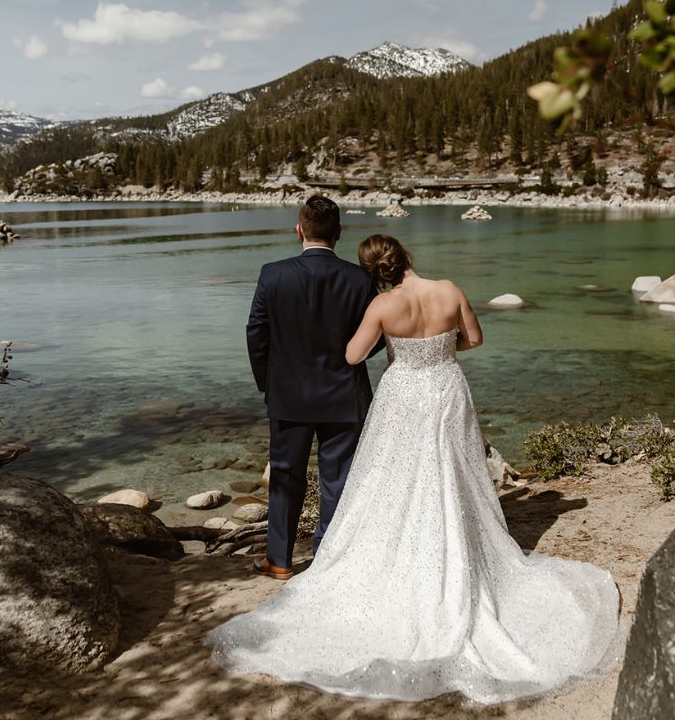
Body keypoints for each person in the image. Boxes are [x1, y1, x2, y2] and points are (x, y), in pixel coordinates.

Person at [209, 234, 620, 704]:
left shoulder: (383, 307)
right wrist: (438, 354)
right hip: (446, 388)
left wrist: (398, 351)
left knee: (395, 477)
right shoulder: (449, 289)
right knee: (451, 472)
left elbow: (352, 356)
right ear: (407, 257)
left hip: (403, 394)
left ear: (374, 272)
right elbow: (475, 338)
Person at [245, 195, 383, 580]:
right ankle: (327, 561)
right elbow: (376, 338)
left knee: (285, 479)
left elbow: (256, 333)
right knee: (337, 479)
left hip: (288, 396)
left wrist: (267, 383)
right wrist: (351, 363)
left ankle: (281, 561)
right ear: (338, 234)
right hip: (344, 394)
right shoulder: (360, 279)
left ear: (299, 230)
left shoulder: (272, 274)